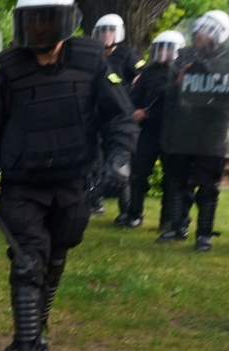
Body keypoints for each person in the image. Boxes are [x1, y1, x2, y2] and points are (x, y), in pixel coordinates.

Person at [0, 0, 137, 351]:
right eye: (34, 22)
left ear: (65, 23)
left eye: (49, 21)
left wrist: (118, 161)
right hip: (22, 184)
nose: (41, 31)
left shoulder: (92, 60)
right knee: (28, 262)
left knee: (56, 257)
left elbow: (120, 117)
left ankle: (38, 322)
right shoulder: (11, 68)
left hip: (72, 181)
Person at [156, 10, 229, 252]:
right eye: (197, 30)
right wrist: (178, 84)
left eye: (206, 30)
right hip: (182, 129)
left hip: (212, 131)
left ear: (219, 34)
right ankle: (177, 226)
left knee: (208, 185)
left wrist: (210, 82)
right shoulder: (182, 56)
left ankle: (204, 234)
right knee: (177, 181)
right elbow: (168, 92)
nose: (198, 34)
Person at [125, 30, 187, 230]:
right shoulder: (148, 72)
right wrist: (136, 111)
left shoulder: (184, 73)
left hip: (173, 131)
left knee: (171, 177)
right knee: (138, 172)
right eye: (159, 48)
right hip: (148, 129)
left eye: (167, 48)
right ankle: (134, 214)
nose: (162, 52)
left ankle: (167, 219)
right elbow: (134, 97)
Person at [92, 13, 141, 227]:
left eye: (110, 30)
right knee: (98, 159)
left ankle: (126, 210)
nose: (106, 35)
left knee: (120, 162)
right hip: (98, 113)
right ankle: (96, 202)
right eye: (103, 31)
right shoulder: (96, 55)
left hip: (121, 114)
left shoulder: (128, 54)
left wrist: (131, 98)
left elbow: (143, 75)